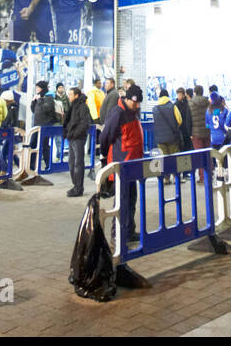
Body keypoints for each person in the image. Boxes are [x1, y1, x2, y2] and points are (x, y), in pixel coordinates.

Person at [99, 83, 145, 244]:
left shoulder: (133, 112)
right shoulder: (117, 113)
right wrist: (104, 157)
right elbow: (105, 137)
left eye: (139, 103)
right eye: (135, 102)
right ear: (127, 99)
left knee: (131, 199)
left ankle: (128, 231)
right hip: (122, 165)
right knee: (121, 200)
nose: (137, 105)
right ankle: (117, 233)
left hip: (133, 164)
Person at [62, 85, 91, 197]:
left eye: (70, 94)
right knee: (71, 163)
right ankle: (76, 186)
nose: (69, 96)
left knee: (78, 163)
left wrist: (74, 134)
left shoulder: (82, 107)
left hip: (78, 138)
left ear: (76, 95)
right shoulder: (73, 106)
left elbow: (84, 123)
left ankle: (78, 188)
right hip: (72, 138)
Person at [189, 84, 212, 182]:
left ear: (194, 92)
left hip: (196, 132)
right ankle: (210, 175)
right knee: (208, 154)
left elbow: (188, 119)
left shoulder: (190, 103)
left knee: (199, 155)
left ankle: (202, 177)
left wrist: (190, 133)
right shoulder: (207, 102)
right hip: (207, 131)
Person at [152, 89, 182, 158]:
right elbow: (179, 120)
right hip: (172, 137)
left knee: (163, 160)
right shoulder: (173, 106)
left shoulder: (154, 109)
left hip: (160, 139)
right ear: (167, 96)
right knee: (174, 159)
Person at [175, 87, 193, 151]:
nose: (178, 96)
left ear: (183, 95)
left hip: (187, 128)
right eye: (178, 95)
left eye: (180, 95)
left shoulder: (187, 103)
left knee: (188, 145)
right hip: (180, 128)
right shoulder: (176, 104)